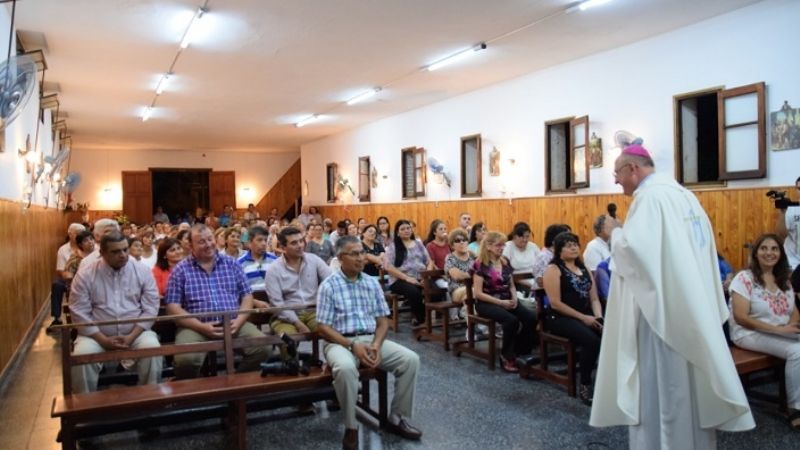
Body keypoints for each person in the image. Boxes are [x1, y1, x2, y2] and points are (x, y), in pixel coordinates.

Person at [590, 142, 754, 448]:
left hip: (662, 316)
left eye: (617, 173)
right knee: (689, 392)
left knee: (665, 392)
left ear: (633, 169)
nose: (616, 180)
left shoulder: (650, 199)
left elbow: (637, 254)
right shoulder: (684, 196)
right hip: (690, 308)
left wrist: (614, 233)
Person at [316, 235, 422, 450]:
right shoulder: (329, 285)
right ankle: (351, 426)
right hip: (340, 342)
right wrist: (351, 345)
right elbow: (323, 328)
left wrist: (376, 344)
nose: (361, 258)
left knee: (410, 360)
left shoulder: (371, 283)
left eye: (362, 253)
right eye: (354, 254)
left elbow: (383, 321)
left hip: (370, 339)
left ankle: (396, 417)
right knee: (345, 368)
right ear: (340, 257)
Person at [164, 225, 272, 379]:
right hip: (196, 326)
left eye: (210, 239)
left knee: (264, 347)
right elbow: (172, 307)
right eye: (201, 242)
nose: (208, 244)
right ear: (191, 246)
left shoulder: (232, 264)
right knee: (186, 360)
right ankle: (197, 390)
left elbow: (247, 296)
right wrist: (200, 326)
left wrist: (239, 320)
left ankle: (234, 384)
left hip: (233, 322)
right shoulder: (180, 270)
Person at [68, 232, 161, 394]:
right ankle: (84, 404)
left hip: (136, 332)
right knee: (82, 356)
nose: (123, 255)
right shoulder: (86, 274)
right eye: (116, 251)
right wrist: (102, 340)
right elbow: (79, 311)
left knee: (152, 350)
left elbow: (151, 307)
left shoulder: (142, 271)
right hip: (96, 335)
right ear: (102, 253)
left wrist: (131, 336)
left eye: (125, 249)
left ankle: (149, 398)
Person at [729, 234, 800, 427]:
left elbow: (794, 313)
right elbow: (741, 317)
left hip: (778, 331)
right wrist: (779, 330)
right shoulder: (744, 278)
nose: (769, 253)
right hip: (748, 333)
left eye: (774, 249)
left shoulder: (783, 280)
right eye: (764, 248)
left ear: (781, 254)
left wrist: (789, 329)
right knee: (797, 351)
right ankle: (795, 410)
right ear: (756, 253)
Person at [542, 232, 603, 405]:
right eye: (569, 246)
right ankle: (585, 384)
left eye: (575, 244)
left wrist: (599, 317)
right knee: (591, 341)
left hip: (584, 315)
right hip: (559, 317)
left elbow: (594, 299)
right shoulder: (554, 269)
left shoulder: (584, 269)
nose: (574, 248)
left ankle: (604, 381)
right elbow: (555, 303)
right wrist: (584, 318)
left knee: (607, 334)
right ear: (559, 250)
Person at [472, 231, 537, 373]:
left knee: (531, 318)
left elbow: (511, 284)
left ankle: (521, 351)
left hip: (506, 299)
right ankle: (506, 356)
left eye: (503, 245)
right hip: (486, 302)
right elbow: (478, 293)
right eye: (498, 245)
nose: (502, 248)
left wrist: (514, 298)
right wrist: (500, 303)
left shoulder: (504, 261)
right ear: (488, 246)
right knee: (511, 320)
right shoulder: (480, 264)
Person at [264, 227, 332, 335]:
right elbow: (277, 303)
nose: (300, 245)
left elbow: (331, 281)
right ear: (283, 247)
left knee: (331, 332)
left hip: (313, 312)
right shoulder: (274, 269)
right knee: (289, 338)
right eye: (294, 243)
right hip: (286, 315)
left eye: (301, 241)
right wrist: (297, 323)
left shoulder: (314, 260)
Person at [383, 220, 435, 325]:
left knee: (436, 289)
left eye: (408, 228)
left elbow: (429, 261)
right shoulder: (393, 246)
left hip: (420, 278)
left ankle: (422, 315)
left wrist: (427, 276)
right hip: (400, 280)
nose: (406, 231)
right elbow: (388, 267)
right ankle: (421, 320)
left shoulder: (418, 244)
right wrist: (407, 278)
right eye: (402, 229)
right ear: (397, 232)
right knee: (414, 292)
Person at [49, 223, 86, 329]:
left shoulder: (87, 246)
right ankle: (56, 318)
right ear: (70, 234)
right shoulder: (63, 249)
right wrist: (68, 276)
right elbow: (60, 270)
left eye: (82, 233)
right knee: (56, 285)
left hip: (85, 277)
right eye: (77, 233)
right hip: (68, 278)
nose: (80, 235)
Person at [237, 226, 278, 304]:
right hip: (250, 304)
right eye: (259, 240)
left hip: (274, 302)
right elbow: (237, 290)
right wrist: (255, 302)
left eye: (265, 240)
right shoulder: (239, 263)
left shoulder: (275, 261)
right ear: (249, 243)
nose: (264, 243)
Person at [532, 224, 572, 289]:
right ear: (554, 241)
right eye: (564, 239)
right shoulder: (544, 256)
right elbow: (540, 282)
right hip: (544, 292)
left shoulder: (562, 254)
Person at [443, 228, 474, 306]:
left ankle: (467, 312)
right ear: (452, 245)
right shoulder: (450, 258)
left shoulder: (473, 256)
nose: (462, 242)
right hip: (456, 290)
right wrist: (475, 275)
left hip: (473, 288)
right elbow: (457, 276)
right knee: (473, 292)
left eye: (464, 240)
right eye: (457, 241)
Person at [776, 176, 800, 269]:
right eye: (799, 189)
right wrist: (782, 212)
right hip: (793, 262)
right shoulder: (790, 210)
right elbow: (780, 235)